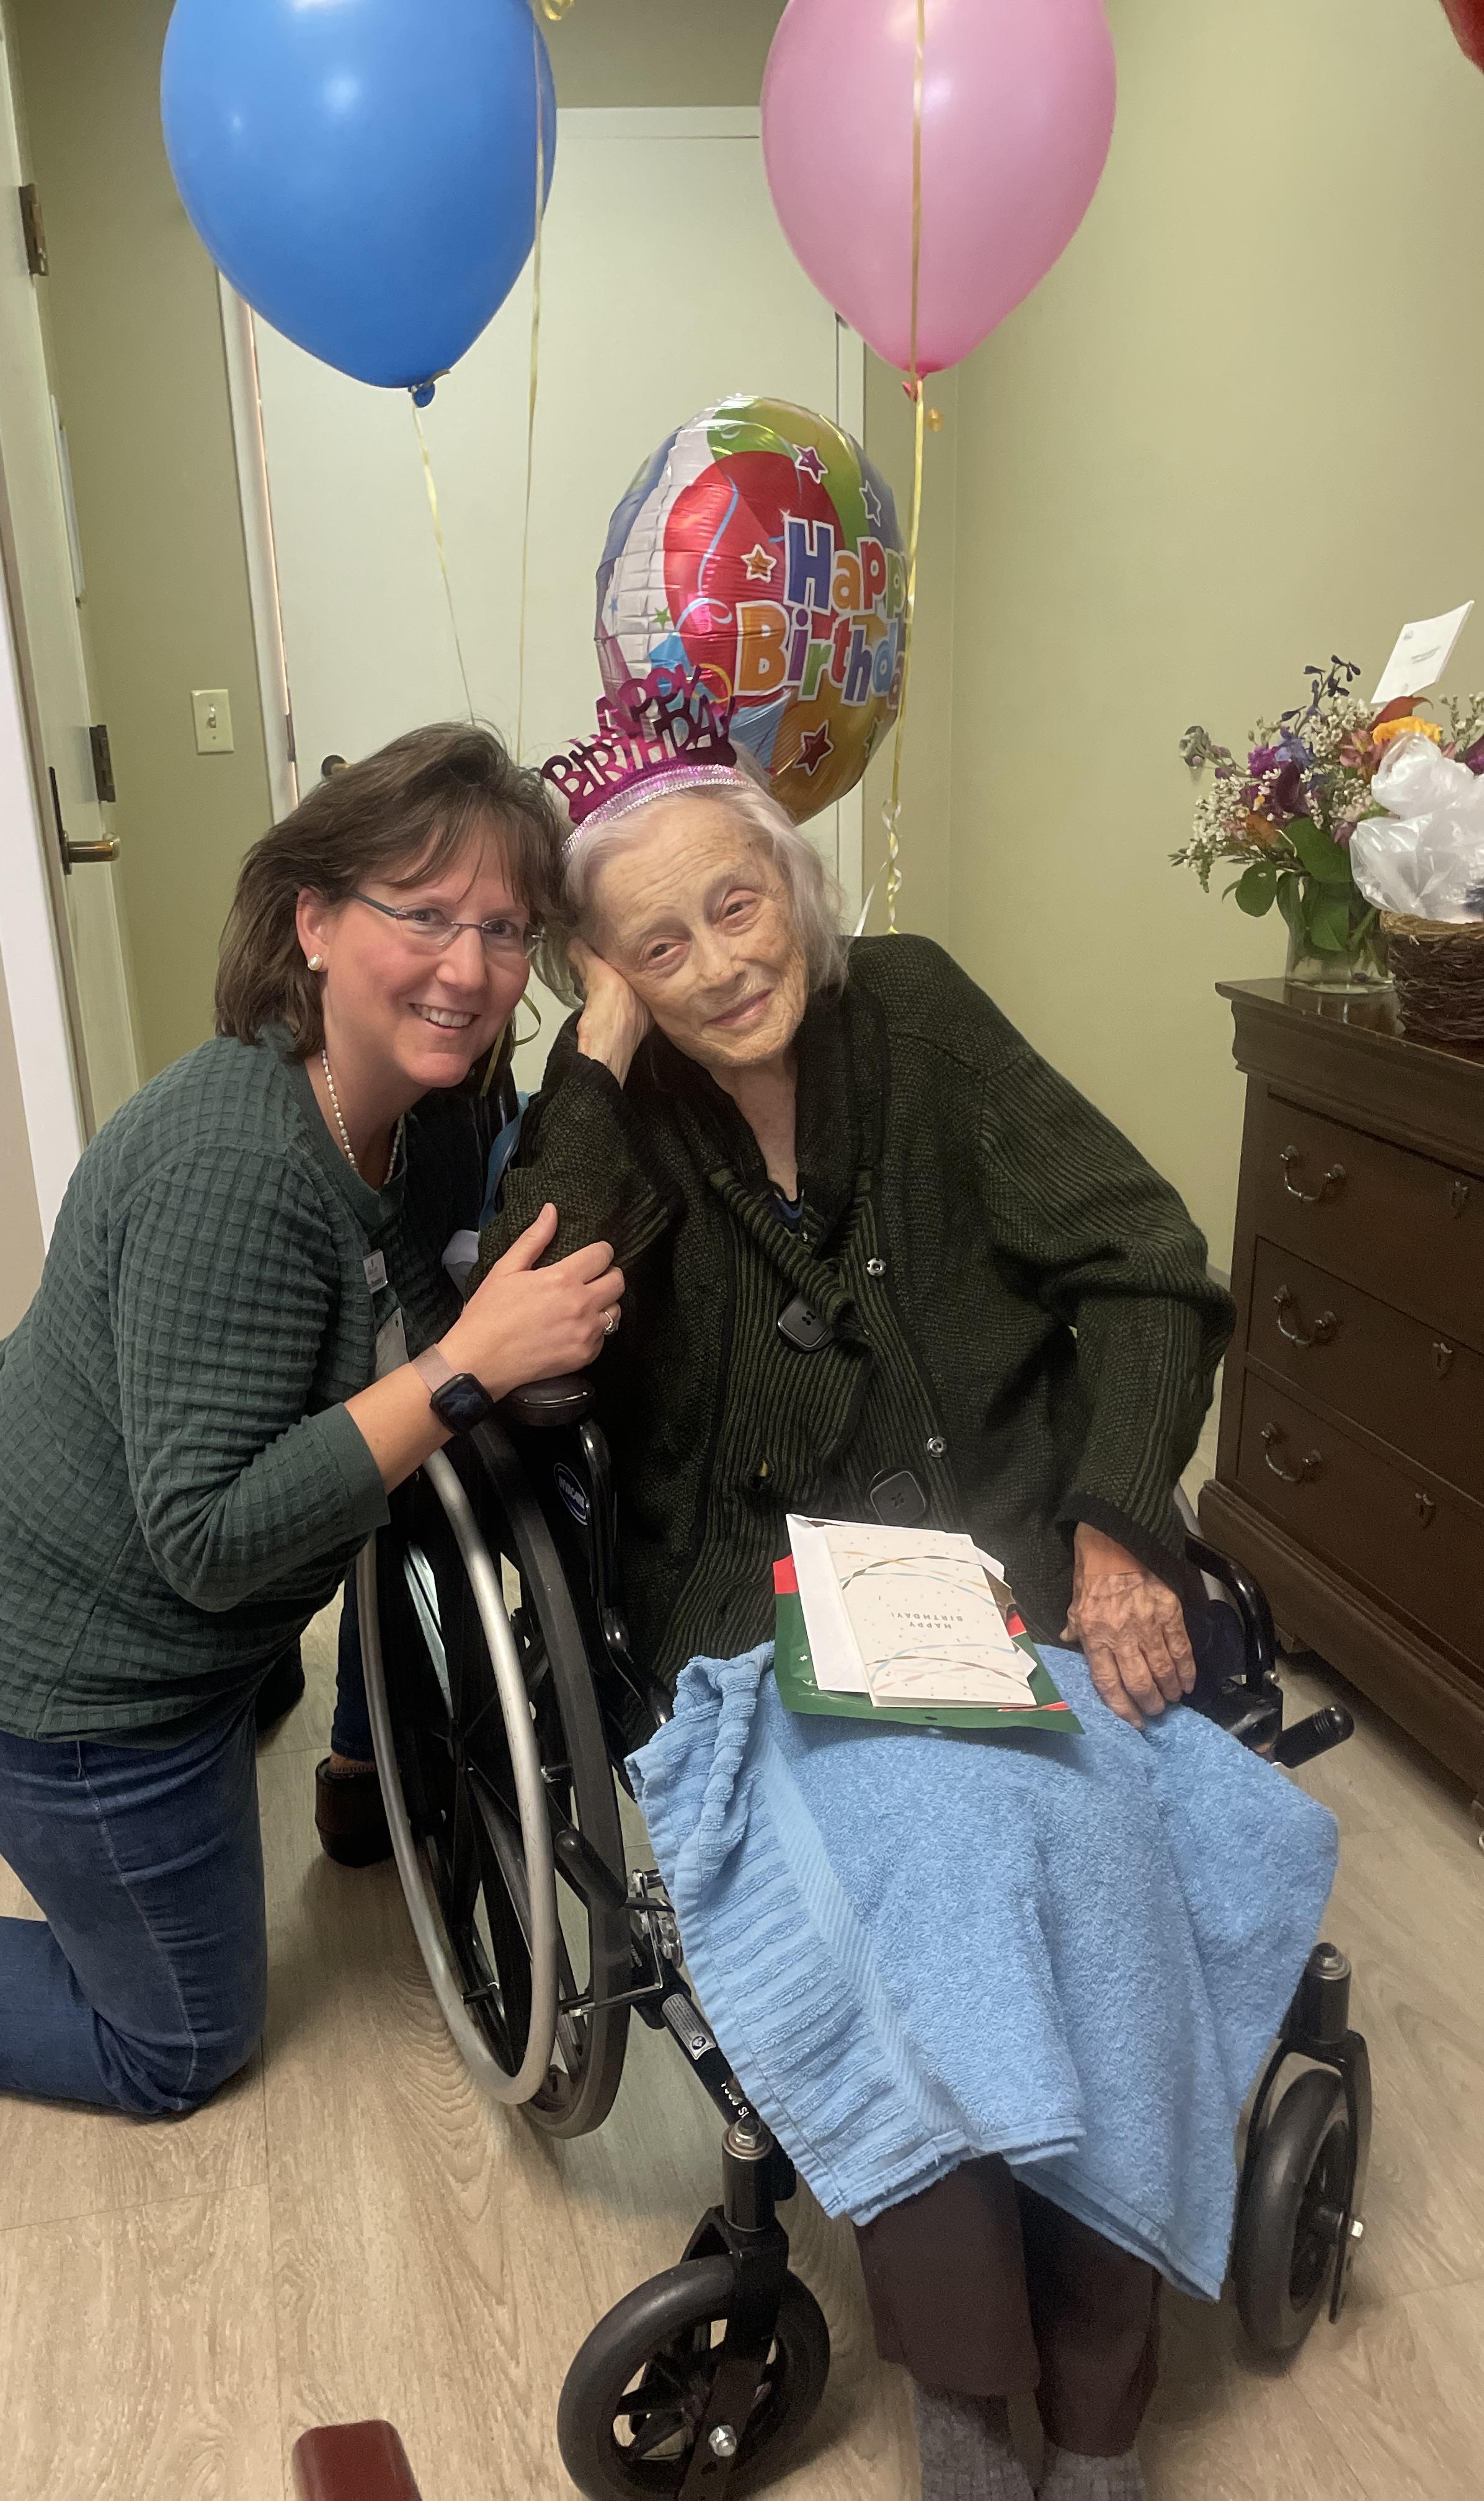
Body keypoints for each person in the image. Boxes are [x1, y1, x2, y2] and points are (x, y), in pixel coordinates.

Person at [478, 666, 1238, 2501]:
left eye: (737, 903)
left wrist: (1121, 1526)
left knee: (1095, 1863)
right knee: (919, 1891)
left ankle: (1102, 2389)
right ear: (612, 974)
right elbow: (533, 1313)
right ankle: (974, 2398)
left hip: (1022, 1560)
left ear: (794, 883)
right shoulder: (625, 1105)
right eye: (655, 943)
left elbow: (1142, 1255)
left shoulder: (914, 1011)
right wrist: (591, 1054)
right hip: (761, 1610)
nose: (721, 963)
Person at [0, 724, 623, 2115]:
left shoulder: (435, 1106)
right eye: (426, 915)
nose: (469, 969)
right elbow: (212, 1542)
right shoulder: (236, 1167)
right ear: (315, 921)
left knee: (374, 1498)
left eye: (507, 929)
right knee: (177, 2046)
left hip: (134, 1564)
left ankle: (334, 1754)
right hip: (69, 1671)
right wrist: (463, 1368)